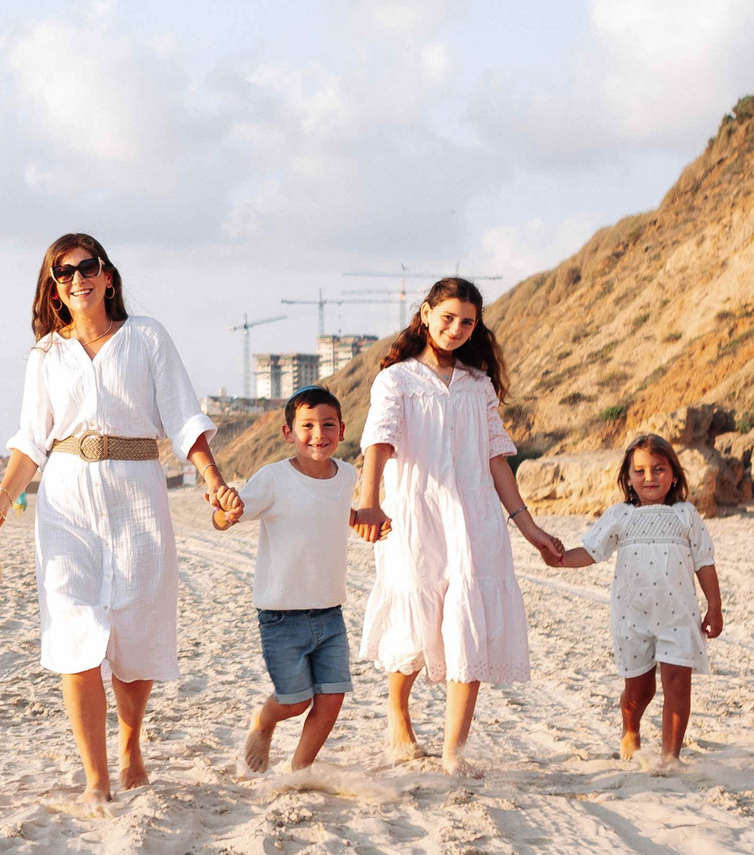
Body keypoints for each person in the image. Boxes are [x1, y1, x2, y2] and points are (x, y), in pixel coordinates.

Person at [0, 234, 240, 809]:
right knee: (75, 634)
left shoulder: (147, 337)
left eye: (86, 267)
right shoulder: (45, 355)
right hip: (65, 501)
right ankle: (96, 775)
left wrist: (213, 481)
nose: (77, 279)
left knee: (136, 626)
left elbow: (184, 418)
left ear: (108, 275)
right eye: (62, 273)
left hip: (137, 494)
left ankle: (129, 742)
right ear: (54, 287)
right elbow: (30, 441)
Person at [350, 277, 567, 778]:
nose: (456, 329)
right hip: (414, 515)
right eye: (447, 317)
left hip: (475, 520)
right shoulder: (397, 379)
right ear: (425, 313)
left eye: (467, 322)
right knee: (413, 627)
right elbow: (378, 442)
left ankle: (454, 751)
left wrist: (529, 528)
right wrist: (368, 503)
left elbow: (496, 462)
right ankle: (398, 713)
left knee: (467, 629)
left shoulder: (478, 384)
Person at [542, 433, 725, 765]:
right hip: (632, 616)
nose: (649, 477)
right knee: (640, 691)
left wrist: (715, 606)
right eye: (639, 471)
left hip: (678, 616)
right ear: (627, 477)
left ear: (674, 476)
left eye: (658, 469)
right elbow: (591, 551)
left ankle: (671, 758)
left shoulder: (686, 514)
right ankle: (630, 728)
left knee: (677, 683)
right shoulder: (620, 515)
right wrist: (561, 558)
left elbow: (705, 562)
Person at [215, 386, 359, 776]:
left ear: (342, 429)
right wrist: (224, 512)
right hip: (281, 615)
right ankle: (263, 723)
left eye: (328, 424)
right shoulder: (272, 479)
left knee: (331, 698)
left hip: (330, 610)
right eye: (307, 425)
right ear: (287, 433)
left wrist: (360, 518)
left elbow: (332, 506)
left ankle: (300, 770)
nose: (319, 434)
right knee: (294, 701)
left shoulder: (347, 474)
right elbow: (229, 517)